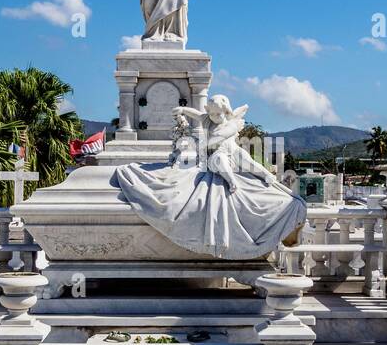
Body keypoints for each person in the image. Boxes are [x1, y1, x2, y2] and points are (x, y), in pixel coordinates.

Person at [112, 95, 306, 259]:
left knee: (248, 162)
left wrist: (198, 143)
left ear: (227, 112)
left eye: (218, 114)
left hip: (231, 152)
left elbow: (214, 139)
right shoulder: (208, 119)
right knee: (219, 161)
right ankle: (231, 181)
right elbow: (198, 115)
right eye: (211, 114)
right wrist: (183, 109)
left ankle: (260, 175)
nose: (214, 117)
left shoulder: (229, 126)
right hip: (216, 158)